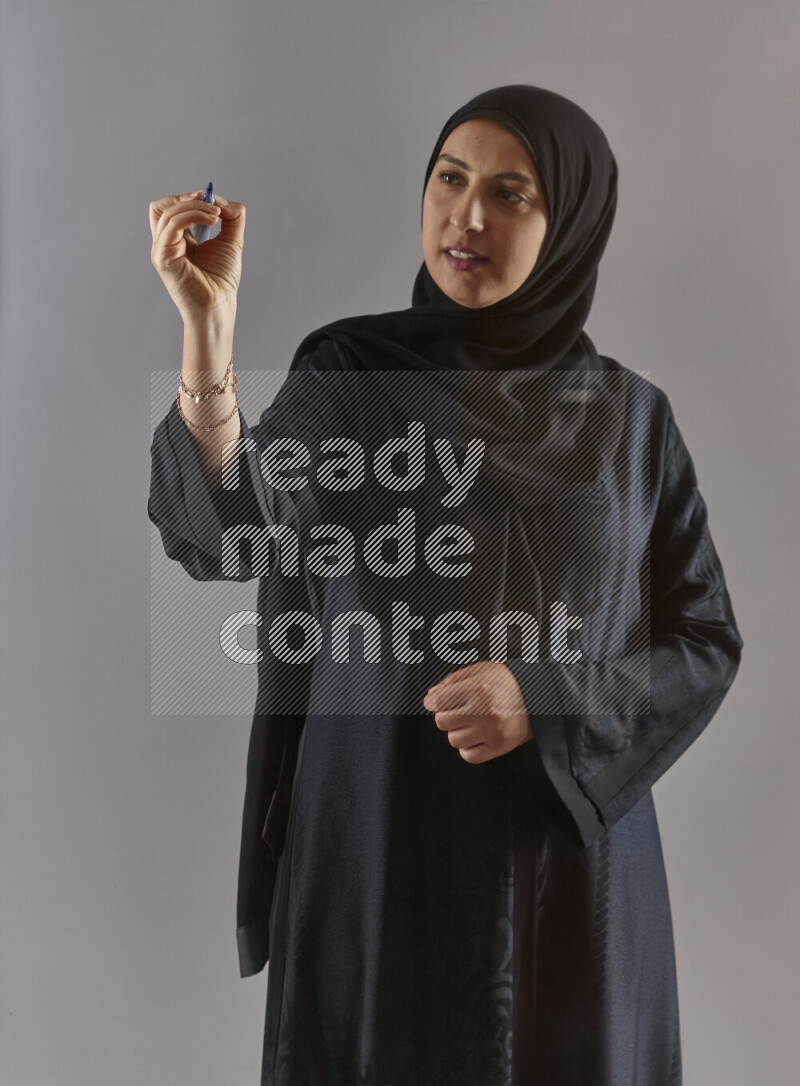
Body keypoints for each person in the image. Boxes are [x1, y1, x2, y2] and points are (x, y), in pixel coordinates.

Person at [148, 85, 743, 1085]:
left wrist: (542, 698)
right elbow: (235, 533)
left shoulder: (633, 424)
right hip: (382, 851)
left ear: (569, 227)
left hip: (570, 883)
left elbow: (702, 643)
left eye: (510, 194)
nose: (466, 216)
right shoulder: (350, 377)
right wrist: (207, 339)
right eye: (449, 180)